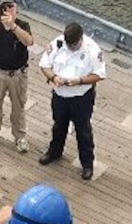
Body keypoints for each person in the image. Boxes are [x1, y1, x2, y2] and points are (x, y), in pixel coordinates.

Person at [38, 22, 105, 181]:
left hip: (81, 98)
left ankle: (87, 164)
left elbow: (100, 75)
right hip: (60, 96)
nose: (72, 47)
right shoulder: (57, 44)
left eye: (74, 44)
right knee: (59, 125)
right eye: (70, 44)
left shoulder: (92, 50)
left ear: (80, 39)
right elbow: (44, 66)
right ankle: (54, 152)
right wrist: (54, 77)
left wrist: (80, 81)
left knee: (83, 131)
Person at [0, 0, 33, 152]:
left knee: (19, 107)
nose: (8, 10)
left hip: (18, 74)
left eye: (11, 6)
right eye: (5, 7)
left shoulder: (23, 25)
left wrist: (13, 27)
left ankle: (20, 137)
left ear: (16, 9)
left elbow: (29, 41)